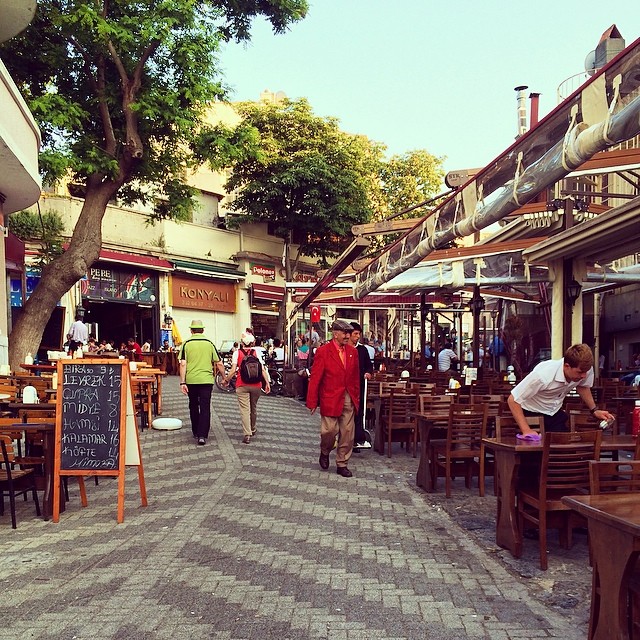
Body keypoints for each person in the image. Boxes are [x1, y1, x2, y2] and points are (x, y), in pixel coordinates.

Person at [507, 343, 615, 438]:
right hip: (531, 413)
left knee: (565, 450)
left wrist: (594, 410)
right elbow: (513, 400)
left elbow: (583, 386)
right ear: (567, 366)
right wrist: (526, 430)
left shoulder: (585, 369)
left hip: (554, 413)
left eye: (586, 372)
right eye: (580, 372)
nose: (584, 376)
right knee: (534, 452)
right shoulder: (542, 376)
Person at [306, 319, 360, 477]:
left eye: (349, 333)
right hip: (330, 397)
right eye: (345, 333)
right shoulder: (323, 352)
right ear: (335, 334)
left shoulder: (353, 352)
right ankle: (325, 450)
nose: (347, 336)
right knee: (329, 431)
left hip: (348, 397)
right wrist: (312, 401)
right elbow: (315, 378)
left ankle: (342, 463)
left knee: (347, 433)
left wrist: (356, 396)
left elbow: (355, 377)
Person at [179, 319, 225, 445]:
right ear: (203, 330)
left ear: (191, 330)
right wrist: (224, 377)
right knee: (205, 406)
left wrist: (182, 382)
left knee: (193, 405)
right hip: (206, 380)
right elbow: (219, 363)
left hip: (191, 380)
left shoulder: (186, 344)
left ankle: (195, 431)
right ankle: (202, 435)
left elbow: (183, 364)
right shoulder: (209, 343)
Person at [224, 332, 271, 444]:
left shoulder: (237, 353)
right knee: (253, 407)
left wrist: (226, 380)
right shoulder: (256, 353)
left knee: (245, 409)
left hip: (242, 384)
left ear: (242, 343)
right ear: (252, 343)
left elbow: (233, 370)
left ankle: (247, 434)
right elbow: (262, 369)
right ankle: (253, 428)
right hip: (256, 385)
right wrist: (267, 383)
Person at [349, 322, 373, 451]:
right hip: (347, 386)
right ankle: (345, 439)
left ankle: (356, 440)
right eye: (356, 334)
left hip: (360, 385)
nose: (358, 336)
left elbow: (369, 365)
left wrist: (368, 372)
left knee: (359, 412)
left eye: (359, 334)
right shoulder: (344, 348)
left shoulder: (362, 350)